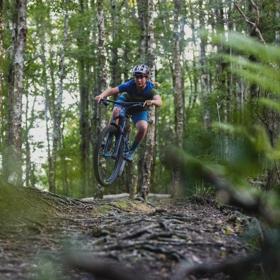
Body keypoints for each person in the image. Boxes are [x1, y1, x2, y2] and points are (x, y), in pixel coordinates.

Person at [95, 64, 162, 161]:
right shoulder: (130, 84)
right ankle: (108, 140)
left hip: (139, 109)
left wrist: (152, 102)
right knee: (116, 111)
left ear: (146, 78)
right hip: (125, 102)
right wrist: (102, 95)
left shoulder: (150, 89)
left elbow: (159, 101)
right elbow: (113, 90)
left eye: (141, 77)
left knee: (143, 127)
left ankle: (131, 151)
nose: (139, 80)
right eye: (137, 77)